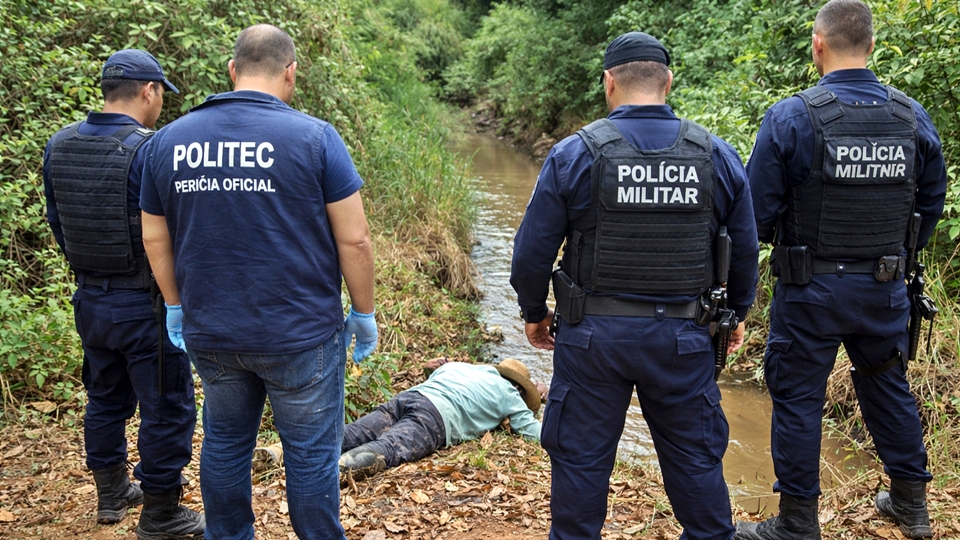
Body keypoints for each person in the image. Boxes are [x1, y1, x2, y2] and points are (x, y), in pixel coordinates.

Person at [510, 31, 759, 540]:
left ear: (609, 84)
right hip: (684, 340)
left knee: (580, 463)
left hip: (592, 339)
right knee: (695, 460)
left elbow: (532, 251)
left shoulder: (575, 154)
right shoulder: (716, 154)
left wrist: (535, 311)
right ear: (667, 81)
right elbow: (746, 250)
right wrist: (737, 314)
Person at [139, 24, 378, 540]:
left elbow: (155, 240)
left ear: (232, 70)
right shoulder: (315, 138)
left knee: (225, 444)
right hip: (301, 336)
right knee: (311, 454)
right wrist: (363, 312)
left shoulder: (167, 143)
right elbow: (355, 240)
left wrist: (175, 305)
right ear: (290, 72)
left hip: (212, 331)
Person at [736, 2, 947, 539]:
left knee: (799, 397)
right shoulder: (910, 115)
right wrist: (897, 253)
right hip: (883, 286)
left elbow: (754, 215)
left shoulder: (792, 116)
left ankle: (798, 523)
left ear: (817, 45)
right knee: (886, 384)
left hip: (810, 290)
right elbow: (931, 201)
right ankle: (912, 506)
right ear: (871, 46)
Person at [42, 49, 205, 539]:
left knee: (105, 398)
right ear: (149, 91)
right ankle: (161, 513)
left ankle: (112, 492)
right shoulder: (148, 149)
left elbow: (57, 223)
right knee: (167, 406)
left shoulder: (59, 144)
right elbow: (169, 232)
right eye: (161, 95)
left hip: (89, 300)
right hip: (145, 306)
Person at [337, 358, 545, 479]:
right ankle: (333, 473)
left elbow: (432, 372)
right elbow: (534, 432)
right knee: (388, 448)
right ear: (518, 387)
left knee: (353, 433)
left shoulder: (459, 366)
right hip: (436, 416)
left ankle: (306, 451)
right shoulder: (510, 393)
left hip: (409, 397)